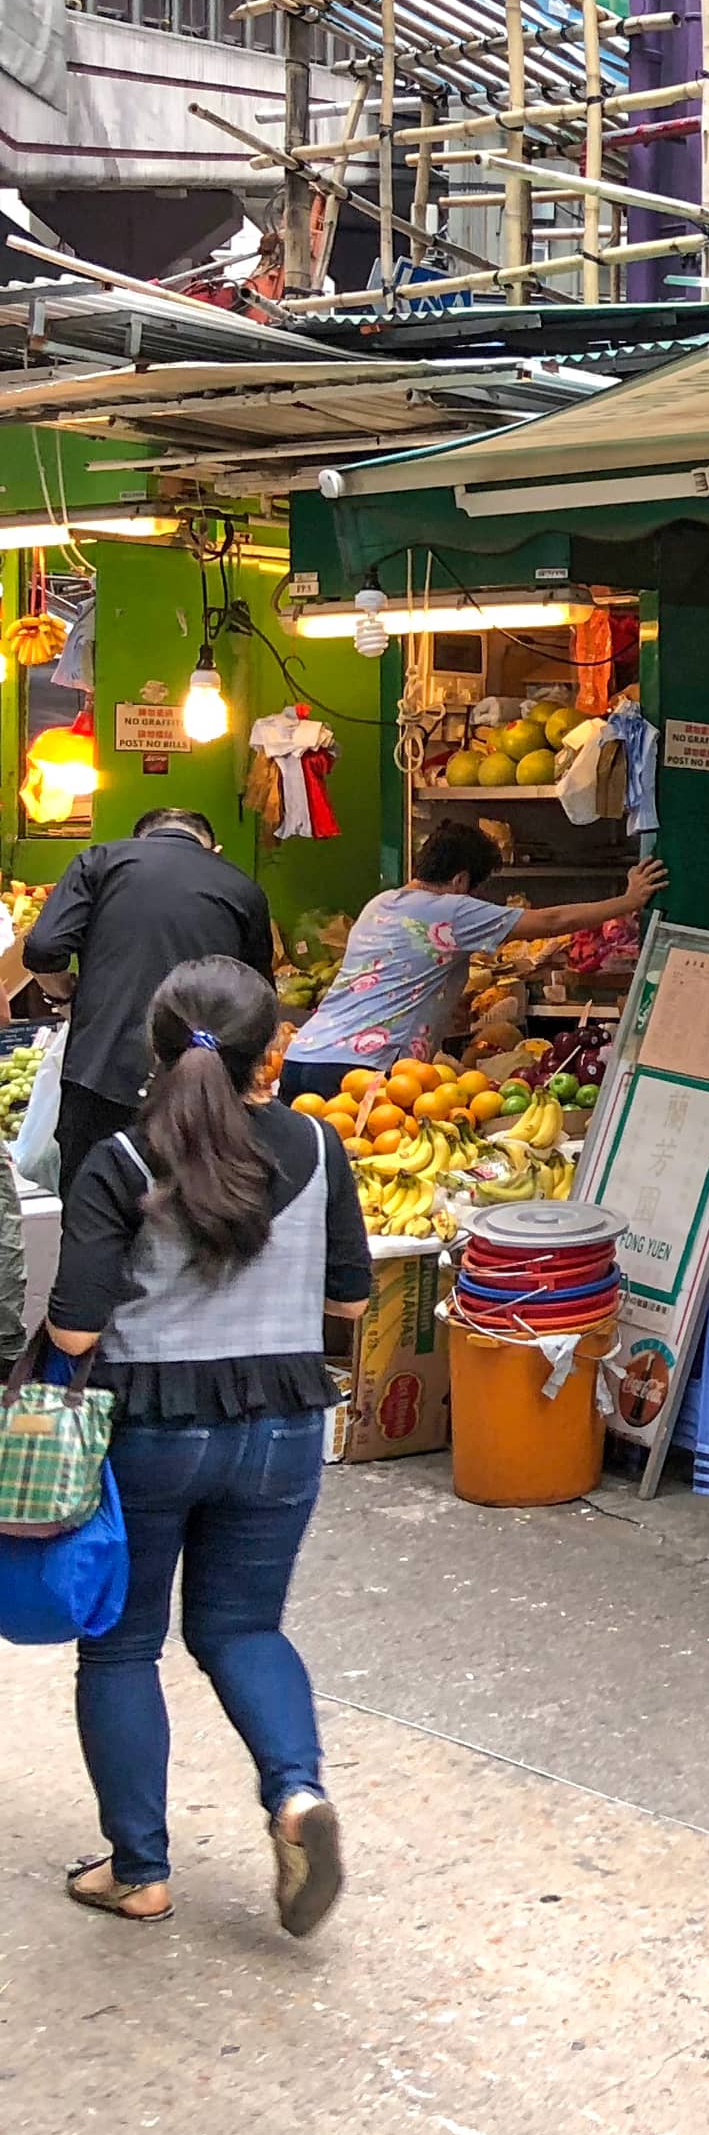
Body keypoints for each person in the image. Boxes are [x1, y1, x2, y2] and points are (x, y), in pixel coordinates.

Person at [49, 957, 371, 1933]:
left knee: (122, 1642)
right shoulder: (319, 1144)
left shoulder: (121, 1158)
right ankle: (295, 1792)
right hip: (281, 1428)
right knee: (243, 1627)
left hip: (147, 1433)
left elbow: (71, 1329)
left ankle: (140, 1870)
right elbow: (351, 1298)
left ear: (156, 1046)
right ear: (269, 1052)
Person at [0, 806, 276, 1202]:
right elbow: (257, 998)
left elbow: (43, 949)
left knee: (92, 1212)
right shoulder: (241, 886)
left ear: (139, 839)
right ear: (213, 849)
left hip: (99, 1075)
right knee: (191, 1216)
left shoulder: (100, 861)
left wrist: (62, 994)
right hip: (203, 1090)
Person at [280, 821, 666, 1102]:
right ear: (462, 880)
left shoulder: (380, 904)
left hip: (302, 1058)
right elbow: (551, 921)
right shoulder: (452, 909)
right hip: (360, 1071)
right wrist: (628, 901)